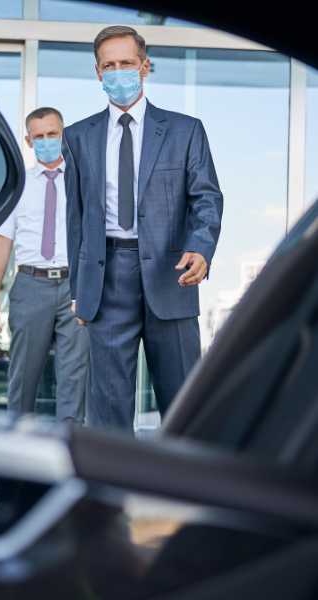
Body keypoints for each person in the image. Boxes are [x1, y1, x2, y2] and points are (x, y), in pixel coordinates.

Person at [62, 26, 223, 432]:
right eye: (109, 65)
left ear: (145, 66)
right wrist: (79, 291)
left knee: (184, 403)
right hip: (106, 278)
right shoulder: (77, 137)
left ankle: (188, 489)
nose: (119, 72)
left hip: (172, 277)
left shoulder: (185, 131)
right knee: (109, 410)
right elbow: (76, 219)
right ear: (98, 73)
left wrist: (201, 248)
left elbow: (206, 199)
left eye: (127, 63)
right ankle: (112, 491)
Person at [0, 107, 89, 424]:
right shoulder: (17, 186)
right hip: (31, 285)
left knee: (74, 378)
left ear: (64, 135)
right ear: (29, 142)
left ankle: (70, 453)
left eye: (52, 134)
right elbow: (3, 241)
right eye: (39, 136)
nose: (46, 141)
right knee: (23, 376)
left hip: (76, 285)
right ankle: (15, 451)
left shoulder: (85, 182)